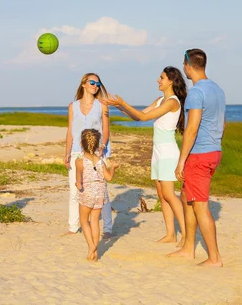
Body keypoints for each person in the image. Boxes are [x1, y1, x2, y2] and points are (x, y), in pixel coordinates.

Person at [101, 67, 187, 246]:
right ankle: (171, 234)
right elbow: (138, 118)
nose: (158, 80)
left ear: (171, 80)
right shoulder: (160, 100)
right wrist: (119, 106)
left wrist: (123, 103)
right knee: (162, 195)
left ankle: (186, 234)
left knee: (170, 195)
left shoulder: (172, 102)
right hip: (157, 153)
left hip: (168, 153)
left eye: (161, 78)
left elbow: (144, 116)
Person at [168, 49, 226, 267]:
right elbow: (223, 124)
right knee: (186, 197)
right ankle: (188, 247)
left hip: (200, 154)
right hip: (213, 152)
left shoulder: (196, 92)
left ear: (187, 66)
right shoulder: (218, 90)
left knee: (200, 205)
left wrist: (182, 160)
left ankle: (214, 258)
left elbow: (191, 129)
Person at [64, 73, 114, 238]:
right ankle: (73, 227)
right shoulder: (73, 106)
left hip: (98, 152)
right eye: (92, 82)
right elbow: (70, 131)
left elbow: (105, 129)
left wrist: (102, 147)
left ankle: (107, 229)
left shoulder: (102, 105)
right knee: (75, 189)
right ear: (84, 84)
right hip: (77, 152)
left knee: (102, 190)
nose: (95, 86)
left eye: (98, 84)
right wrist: (67, 153)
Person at [75, 129, 118, 261]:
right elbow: (109, 178)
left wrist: (79, 185)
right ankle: (96, 252)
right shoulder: (100, 160)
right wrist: (113, 168)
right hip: (100, 192)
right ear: (97, 144)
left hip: (87, 192)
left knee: (84, 221)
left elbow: (78, 181)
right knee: (95, 221)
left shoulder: (79, 161)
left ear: (81, 144)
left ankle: (92, 247)